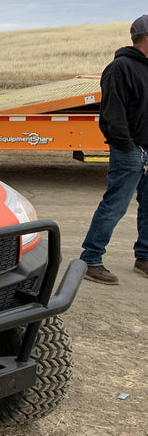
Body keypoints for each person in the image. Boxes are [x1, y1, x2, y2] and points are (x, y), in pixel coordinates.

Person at [80, 15, 148, 284]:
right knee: (114, 206)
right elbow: (113, 114)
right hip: (129, 151)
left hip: (147, 148)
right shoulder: (120, 68)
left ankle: (143, 257)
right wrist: (128, 147)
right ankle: (91, 260)